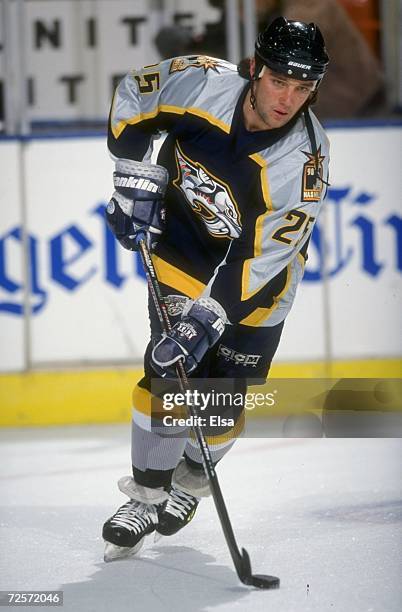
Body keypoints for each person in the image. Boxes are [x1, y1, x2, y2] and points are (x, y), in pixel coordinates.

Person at [102, 17, 330, 561]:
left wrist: (208, 318)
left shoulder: (302, 162)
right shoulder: (199, 82)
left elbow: (260, 260)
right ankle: (147, 494)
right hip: (184, 243)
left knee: (222, 403)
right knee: (171, 372)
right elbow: (136, 92)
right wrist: (133, 175)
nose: (287, 99)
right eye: (279, 81)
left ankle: (190, 480)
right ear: (255, 69)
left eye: (303, 88)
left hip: (256, 283)